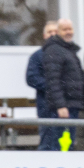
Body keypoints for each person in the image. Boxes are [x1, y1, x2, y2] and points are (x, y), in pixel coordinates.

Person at [42, 18, 84, 149]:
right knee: (61, 146)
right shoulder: (54, 50)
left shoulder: (68, 50)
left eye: (70, 29)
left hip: (72, 106)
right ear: (58, 32)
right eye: (64, 29)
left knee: (68, 145)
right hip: (63, 109)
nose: (68, 32)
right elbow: (53, 80)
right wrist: (60, 105)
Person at [25, 20, 59, 150]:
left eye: (56, 31)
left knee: (65, 145)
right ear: (44, 35)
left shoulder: (67, 54)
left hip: (67, 108)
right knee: (47, 143)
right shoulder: (37, 56)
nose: (53, 34)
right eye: (50, 32)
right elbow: (31, 78)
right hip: (46, 107)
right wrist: (52, 86)